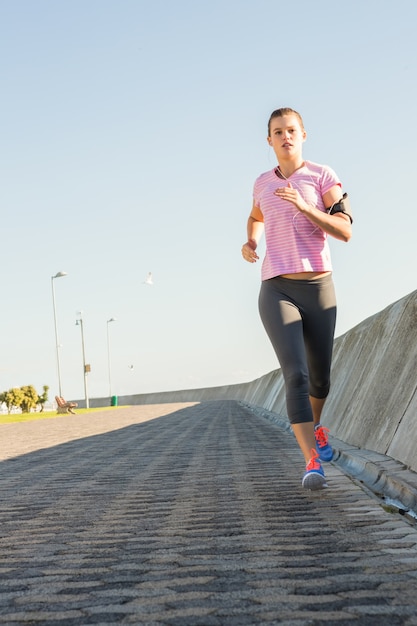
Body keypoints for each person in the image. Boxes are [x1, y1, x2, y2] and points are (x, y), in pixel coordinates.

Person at [242, 107, 352, 490]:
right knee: (297, 374)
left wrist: (306, 207)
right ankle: (311, 461)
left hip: (319, 287)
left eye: (291, 130)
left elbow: (345, 230)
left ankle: (316, 427)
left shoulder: (323, 176)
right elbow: (256, 215)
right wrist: (252, 240)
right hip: (277, 288)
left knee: (320, 378)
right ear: (269, 140)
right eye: (277, 132)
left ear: (303, 134)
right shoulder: (262, 183)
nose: (285, 136)